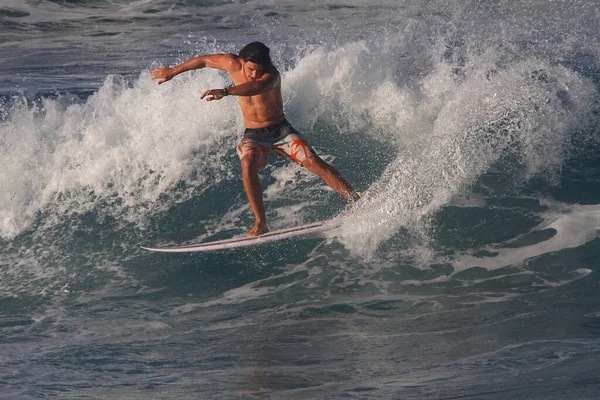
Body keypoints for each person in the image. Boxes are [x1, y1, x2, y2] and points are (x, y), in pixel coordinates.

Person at [151, 42, 358, 237]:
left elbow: (257, 87)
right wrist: (173, 71)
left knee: (314, 162)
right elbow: (204, 60)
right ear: (241, 62)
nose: (255, 74)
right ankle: (261, 223)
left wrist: (226, 91)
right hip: (254, 134)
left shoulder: (271, 75)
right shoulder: (231, 63)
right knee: (247, 163)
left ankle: (355, 200)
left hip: (281, 131)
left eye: (259, 70)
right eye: (251, 70)